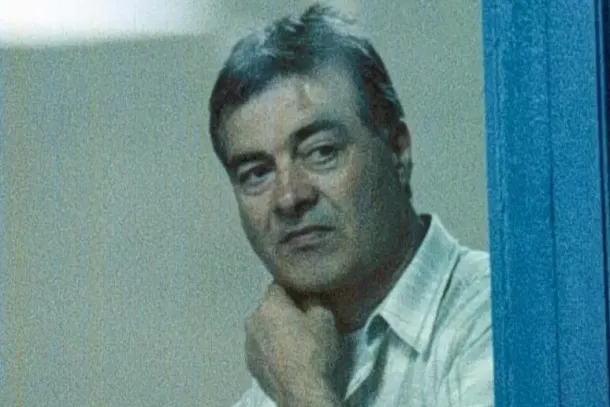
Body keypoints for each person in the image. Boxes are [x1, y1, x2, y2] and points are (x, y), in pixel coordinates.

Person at [208, 3, 493, 406]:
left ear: (398, 151)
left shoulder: (498, 317)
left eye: (321, 152)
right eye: (256, 173)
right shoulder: (270, 388)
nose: (289, 197)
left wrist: (302, 391)